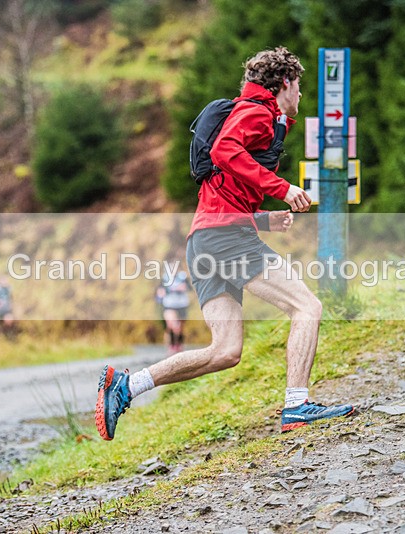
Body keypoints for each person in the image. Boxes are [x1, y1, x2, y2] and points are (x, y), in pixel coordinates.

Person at [95, 47, 354, 441]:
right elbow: (225, 151)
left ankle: (127, 386)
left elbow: (223, 193)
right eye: (299, 87)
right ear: (284, 83)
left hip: (205, 240)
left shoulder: (255, 113)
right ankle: (297, 404)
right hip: (224, 239)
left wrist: (263, 219)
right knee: (307, 306)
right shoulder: (258, 112)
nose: (300, 96)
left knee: (225, 351)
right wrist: (282, 189)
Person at [155, 270, 191, 355]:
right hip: (169, 305)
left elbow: (189, 287)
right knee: (172, 325)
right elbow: (159, 292)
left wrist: (183, 287)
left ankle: (179, 345)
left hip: (182, 305)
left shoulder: (183, 276)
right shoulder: (165, 278)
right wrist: (161, 294)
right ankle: (172, 346)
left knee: (180, 328)